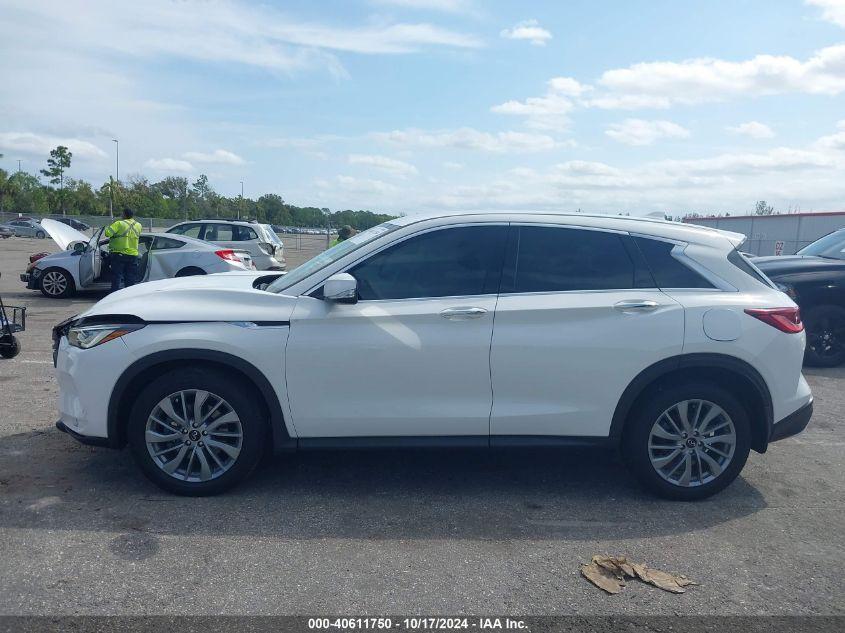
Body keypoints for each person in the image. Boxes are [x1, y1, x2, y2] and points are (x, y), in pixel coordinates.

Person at [105, 207, 142, 292]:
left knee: (117, 277)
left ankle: (115, 295)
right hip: (133, 255)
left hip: (119, 254)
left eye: (122, 213)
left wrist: (111, 225)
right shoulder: (139, 225)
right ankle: (129, 295)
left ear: (124, 214)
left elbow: (107, 233)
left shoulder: (119, 223)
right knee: (130, 278)